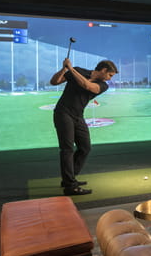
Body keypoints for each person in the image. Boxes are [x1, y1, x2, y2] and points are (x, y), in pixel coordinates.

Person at [50, 57, 117, 195]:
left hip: (78, 116)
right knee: (67, 149)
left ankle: (69, 178)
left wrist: (71, 69)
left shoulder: (103, 85)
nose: (110, 78)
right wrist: (64, 68)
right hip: (63, 113)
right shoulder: (80, 71)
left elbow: (87, 86)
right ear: (104, 70)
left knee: (85, 147)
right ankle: (70, 185)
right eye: (110, 75)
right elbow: (54, 81)